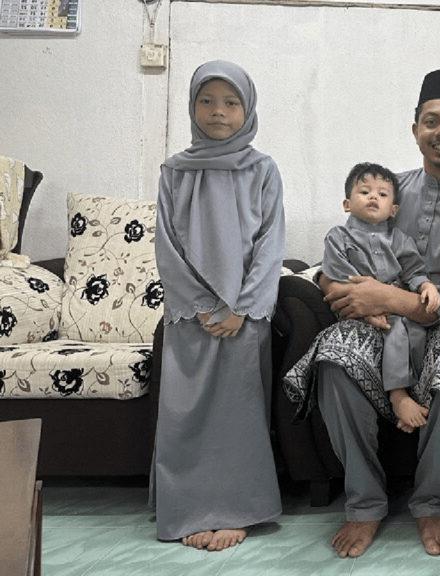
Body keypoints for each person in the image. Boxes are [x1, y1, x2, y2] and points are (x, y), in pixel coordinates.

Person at [285, 68, 440, 558]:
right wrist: (331, 283)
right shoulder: (383, 189)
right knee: (335, 355)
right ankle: (364, 503)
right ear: (415, 128)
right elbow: (341, 256)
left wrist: (388, 296)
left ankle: (434, 502)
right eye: (431, 120)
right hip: (378, 329)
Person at [152, 60, 284, 551]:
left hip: (243, 318)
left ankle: (236, 510)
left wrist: (242, 308)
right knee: (184, 414)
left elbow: (272, 244)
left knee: (238, 415)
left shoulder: (262, 169)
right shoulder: (173, 171)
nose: (218, 112)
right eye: (206, 101)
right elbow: (166, 245)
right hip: (192, 317)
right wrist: (202, 304)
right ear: (192, 107)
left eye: (231, 102)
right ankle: (187, 509)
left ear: (247, 109)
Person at [313, 162, 440, 434]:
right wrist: (366, 311)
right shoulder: (339, 237)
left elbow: (414, 270)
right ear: (347, 203)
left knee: (416, 332)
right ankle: (398, 396)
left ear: (393, 210)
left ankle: (414, 396)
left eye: (383, 194)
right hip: (356, 307)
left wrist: (426, 285)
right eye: (365, 191)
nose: (374, 197)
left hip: (394, 303)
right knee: (395, 332)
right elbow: (337, 274)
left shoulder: (399, 239)